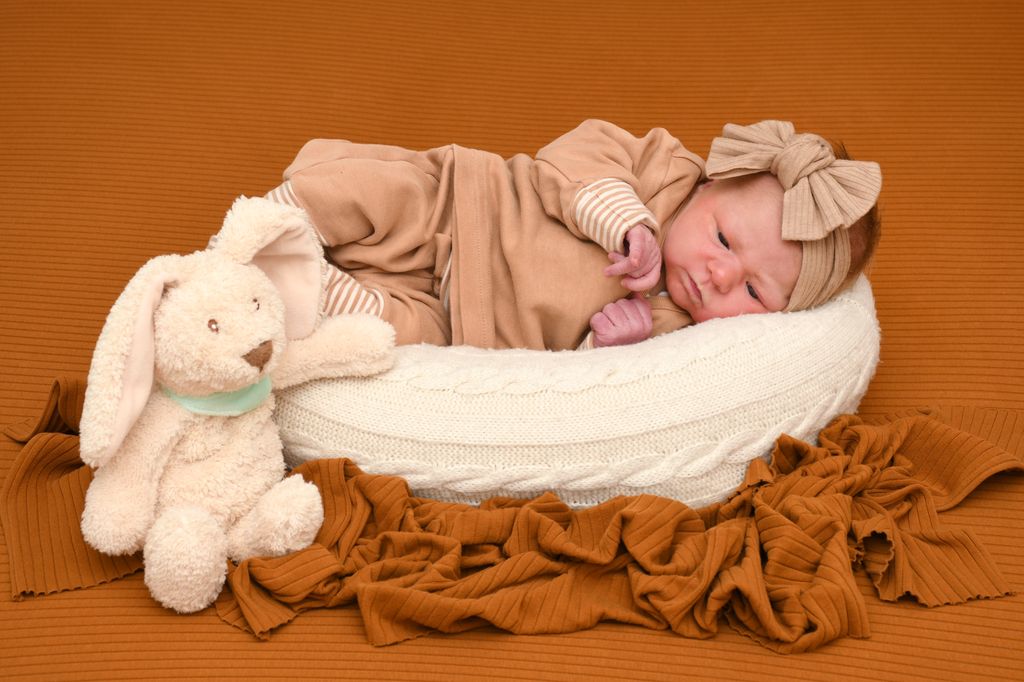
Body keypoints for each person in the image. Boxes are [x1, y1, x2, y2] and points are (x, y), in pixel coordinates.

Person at [258, 119, 881, 350]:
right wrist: (624, 218)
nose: (720, 276)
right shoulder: (664, 170)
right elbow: (576, 152)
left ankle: (306, 287)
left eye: (753, 292)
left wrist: (613, 344)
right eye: (723, 240)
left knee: (392, 335)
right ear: (710, 186)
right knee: (382, 190)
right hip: (464, 210)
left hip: (465, 321)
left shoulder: (678, 334)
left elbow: (585, 393)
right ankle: (280, 221)